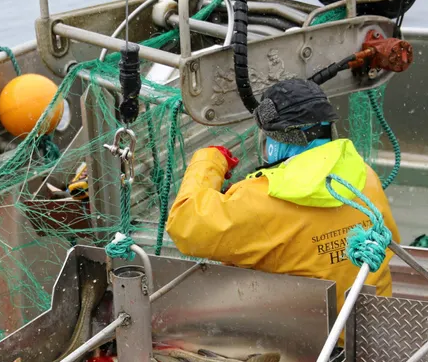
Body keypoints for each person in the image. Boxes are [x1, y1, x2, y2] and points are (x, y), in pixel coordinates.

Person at [166, 78, 401, 311]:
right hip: (370, 332)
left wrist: (209, 161)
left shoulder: (260, 199)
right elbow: (392, 241)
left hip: (304, 341)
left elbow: (184, 225)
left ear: (282, 139)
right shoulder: (364, 175)